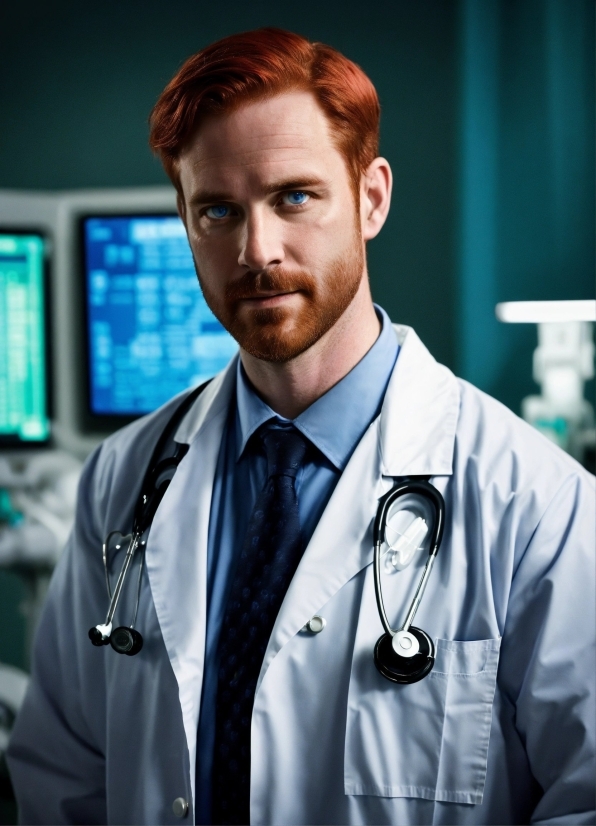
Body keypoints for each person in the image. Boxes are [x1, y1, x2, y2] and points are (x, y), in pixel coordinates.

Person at [7, 27, 595, 826]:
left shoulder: (539, 502)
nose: (257, 250)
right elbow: (63, 779)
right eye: (217, 209)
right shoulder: (124, 478)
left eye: (294, 197)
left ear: (371, 197)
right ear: (185, 221)